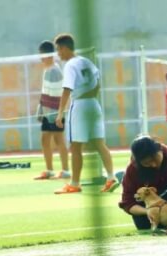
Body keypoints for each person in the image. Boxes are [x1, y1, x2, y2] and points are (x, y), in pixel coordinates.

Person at [53, 33, 117, 194]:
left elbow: (67, 89)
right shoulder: (87, 62)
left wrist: (60, 113)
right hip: (94, 104)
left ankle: (75, 183)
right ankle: (111, 177)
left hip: (80, 105)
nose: (58, 54)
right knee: (100, 143)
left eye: (59, 50)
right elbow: (98, 84)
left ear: (65, 48)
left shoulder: (70, 65)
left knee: (75, 147)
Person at [33, 40, 71, 181]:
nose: (41, 57)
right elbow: (45, 93)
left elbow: (57, 95)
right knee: (45, 139)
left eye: (42, 54)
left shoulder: (55, 71)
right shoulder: (47, 71)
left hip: (55, 112)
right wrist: (41, 111)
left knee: (58, 139)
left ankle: (66, 170)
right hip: (47, 112)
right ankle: (49, 170)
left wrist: (57, 114)